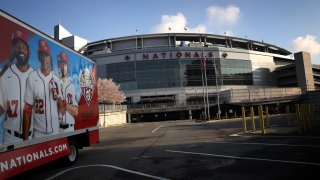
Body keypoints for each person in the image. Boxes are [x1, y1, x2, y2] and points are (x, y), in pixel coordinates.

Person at [23, 39, 65, 140]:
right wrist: (25, 139)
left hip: (55, 131)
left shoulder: (56, 79)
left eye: (46, 55)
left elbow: (62, 110)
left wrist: (58, 97)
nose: (44, 58)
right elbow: (27, 109)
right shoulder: (32, 77)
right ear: (38, 57)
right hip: (38, 133)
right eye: (41, 55)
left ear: (49, 58)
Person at [0, 30, 33, 144]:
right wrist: (7, 63)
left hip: (32, 137)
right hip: (10, 138)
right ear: (13, 50)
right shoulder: (5, 74)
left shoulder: (35, 75)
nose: (20, 49)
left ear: (28, 51)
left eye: (23, 46)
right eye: (16, 46)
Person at [58, 51, 78, 132]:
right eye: (61, 64)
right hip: (57, 127)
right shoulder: (55, 83)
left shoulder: (72, 86)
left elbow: (76, 113)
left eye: (65, 64)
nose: (63, 67)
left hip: (69, 127)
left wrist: (64, 105)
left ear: (68, 66)